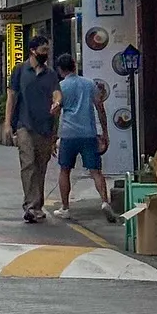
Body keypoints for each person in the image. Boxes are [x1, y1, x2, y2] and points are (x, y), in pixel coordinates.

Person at [50, 53, 116, 222]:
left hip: (68, 134)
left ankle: (65, 208)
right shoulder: (89, 84)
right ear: (74, 65)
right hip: (88, 134)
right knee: (96, 171)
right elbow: (100, 108)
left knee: (65, 170)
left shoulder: (60, 87)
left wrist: (53, 136)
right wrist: (105, 133)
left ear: (60, 70)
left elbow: (55, 114)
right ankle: (104, 202)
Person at [4, 32, 58, 222]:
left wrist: (57, 103)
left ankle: (37, 204)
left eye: (48, 50)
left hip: (45, 126)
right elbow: (11, 97)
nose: (46, 54)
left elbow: (57, 93)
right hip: (24, 124)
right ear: (33, 51)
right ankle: (31, 206)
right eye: (43, 50)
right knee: (28, 164)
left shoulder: (51, 74)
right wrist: (7, 123)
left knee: (40, 166)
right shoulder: (20, 70)